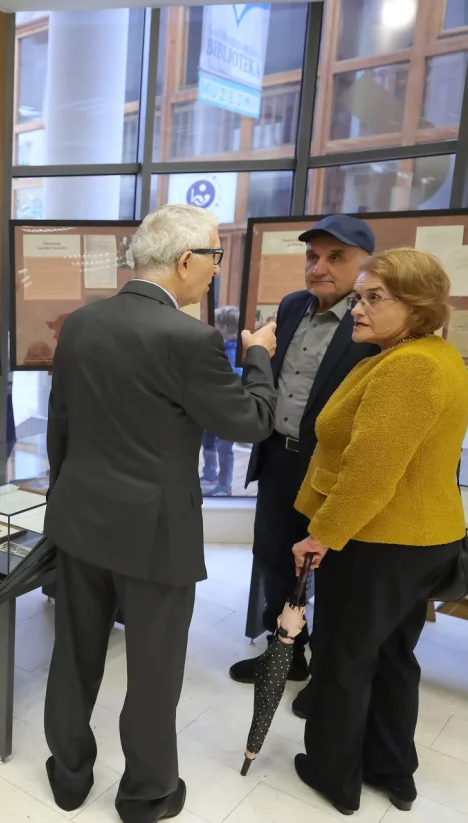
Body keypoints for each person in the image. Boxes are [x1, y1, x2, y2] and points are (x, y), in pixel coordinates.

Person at [43, 204, 278, 823]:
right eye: (214, 258)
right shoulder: (192, 340)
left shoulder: (81, 324)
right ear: (184, 261)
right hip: (155, 535)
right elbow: (252, 421)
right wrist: (256, 356)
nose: (215, 272)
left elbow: (60, 426)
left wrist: (62, 498)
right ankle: (146, 794)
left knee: (74, 652)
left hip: (79, 517)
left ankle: (68, 777)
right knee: (153, 670)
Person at [288, 248, 468, 815]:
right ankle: (394, 771)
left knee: (343, 660)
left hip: (381, 542)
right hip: (415, 540)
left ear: (416, 307)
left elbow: (372, 470)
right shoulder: (430, 355)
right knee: (392, 656)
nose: (357, 309)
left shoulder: (409, 368)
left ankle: (331, 775)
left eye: (373, 298)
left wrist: (323, 534)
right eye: (358, 296)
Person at [229, 215, 380, 688]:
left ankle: (329, 681)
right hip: (279, 456)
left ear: (364, 265)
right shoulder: (293, 306)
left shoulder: (371, 322)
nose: (319, 267)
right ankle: (285, 653)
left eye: (336, 257)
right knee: (275, 558)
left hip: (333, 470)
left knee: (332, 570)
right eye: (313, 256)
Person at [201, 306, 243, 497]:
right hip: (212, 405)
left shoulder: (235, 353)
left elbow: (233, 380)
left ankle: (225, 484)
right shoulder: (220, 349)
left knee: (224, 446)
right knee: (208, 440)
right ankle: (210, 474)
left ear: (224, 327)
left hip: (228, 408)